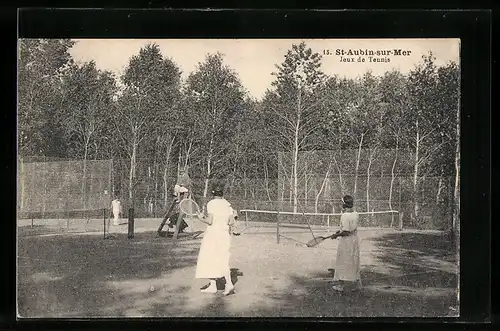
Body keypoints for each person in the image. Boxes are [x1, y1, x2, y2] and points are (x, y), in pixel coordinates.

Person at [195, 184, 236, 296]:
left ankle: (227, 284)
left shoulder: (211, 203)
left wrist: (200, 218)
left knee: (209, 258)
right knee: (222, 259)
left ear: (212, 193)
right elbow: (231, 222)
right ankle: (214, 285)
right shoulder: (228, 205)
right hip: (224, 235)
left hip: (213, 234)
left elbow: (210, 221)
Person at [331, 195, 362, 292]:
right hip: (354, 240)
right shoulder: (356, 213)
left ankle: (340, 285)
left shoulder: (344, 216)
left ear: (344, 204)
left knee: (342, 262)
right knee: (354, 261)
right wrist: (338, 232)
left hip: (346, 241)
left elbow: (346, 231)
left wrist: (336, 235)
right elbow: (348, 228)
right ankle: (358, 284)